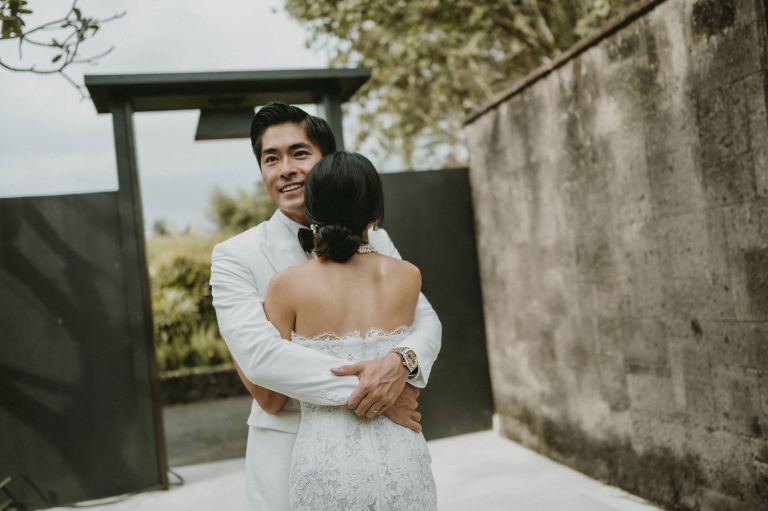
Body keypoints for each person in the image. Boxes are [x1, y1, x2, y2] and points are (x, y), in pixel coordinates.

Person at [209, 102, 442, 511]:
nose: (285, 169)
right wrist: (376, 389)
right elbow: (261, 359)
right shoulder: (234, 256)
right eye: (271, 159)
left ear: (327, 160)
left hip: (388, 449)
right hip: (287, 453)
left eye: (299, 153)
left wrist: (402, 360)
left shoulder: (377, 238)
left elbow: (426, 319)